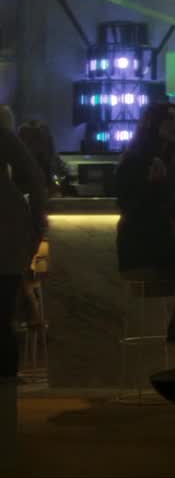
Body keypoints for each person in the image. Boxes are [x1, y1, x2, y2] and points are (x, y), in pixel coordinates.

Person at [115, 102, 175, 279]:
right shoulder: (134, 160)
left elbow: (164, 206)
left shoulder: (166, 161)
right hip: (140, 246)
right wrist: (153, 185)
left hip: (160, 242)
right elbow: (130, 208)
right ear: (152, 123)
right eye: (170, 119)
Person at [0, 106, 47, 381]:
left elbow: (33, 176)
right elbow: (34, 176)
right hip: (8, 230)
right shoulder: (4, 136)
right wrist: (36, 222)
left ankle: (6, 378)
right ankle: (6, 379)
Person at [16, 119, 72, 197]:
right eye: (32, 140)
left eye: (38, 138)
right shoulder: (18, 164)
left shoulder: (54, 161)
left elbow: (62, 178)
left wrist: (57, 188)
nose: (36, 144)